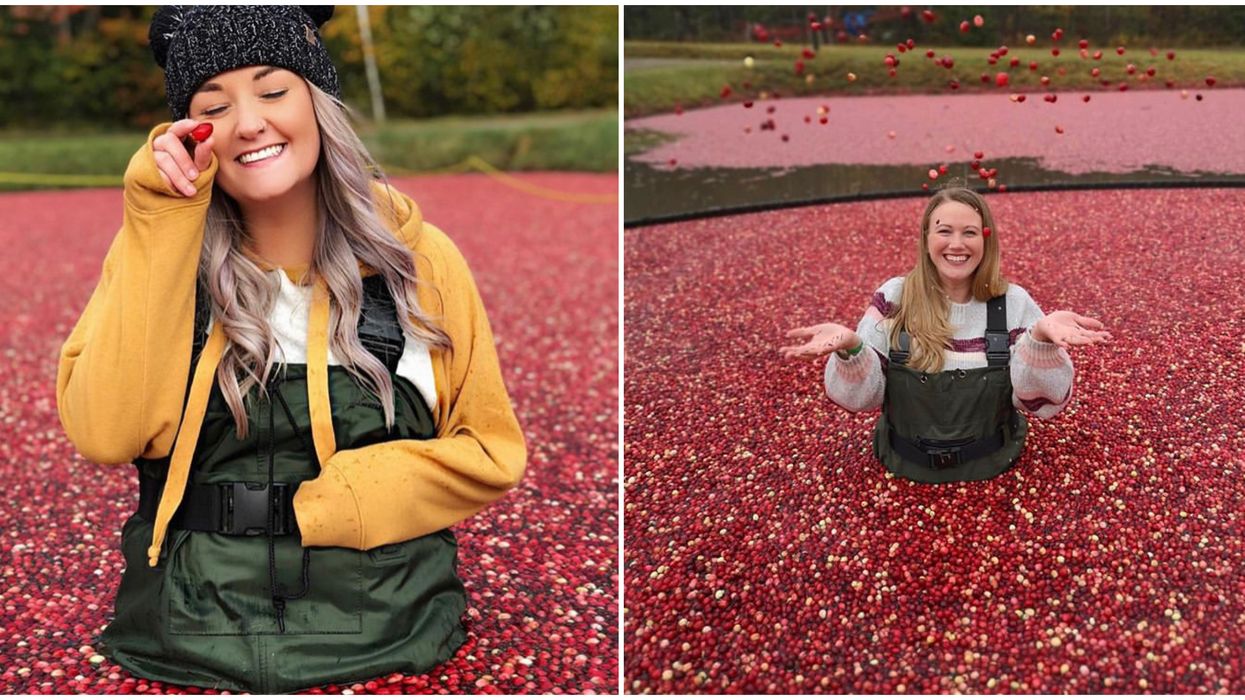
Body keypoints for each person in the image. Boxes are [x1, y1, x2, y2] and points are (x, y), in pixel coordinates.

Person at [54, 6, 526, 693]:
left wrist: (348, 501)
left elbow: (491, 449)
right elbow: (106, 432)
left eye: (273, 90)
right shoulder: (156, 255)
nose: (248, 122)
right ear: (189, 133)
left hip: (392, 626)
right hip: (181, 636)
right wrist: (158, 219)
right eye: (214, 106)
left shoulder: (420, 261)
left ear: (318, 103)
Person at [780, 185, 1110, 483]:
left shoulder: (1012, 303)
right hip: (901, 469)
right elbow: (863, 399)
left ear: (986, 239)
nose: (956, 244)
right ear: (926, 238)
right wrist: (851, 349)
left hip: (995, 470)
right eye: (944, 231)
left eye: (969, 232)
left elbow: (1041, 405)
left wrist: (1039, 342)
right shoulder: (895, 297)